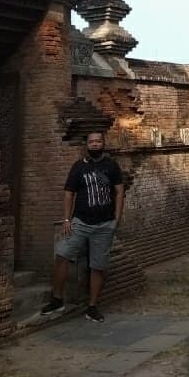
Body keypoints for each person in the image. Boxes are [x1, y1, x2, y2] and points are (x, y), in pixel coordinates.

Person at [41, 131, 124, 322]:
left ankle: (92, 306)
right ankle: (57, 299)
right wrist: (67, 219)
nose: (95, 144)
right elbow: (69, 193)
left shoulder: (111, 166)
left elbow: (119, 192)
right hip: (80, 222)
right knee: (62, 255)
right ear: (87, 145)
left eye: (98, 141)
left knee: (98, 266)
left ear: (103, 143)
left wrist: (116, 220)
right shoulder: (78, 167)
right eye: (91, 141)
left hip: (104, 225)